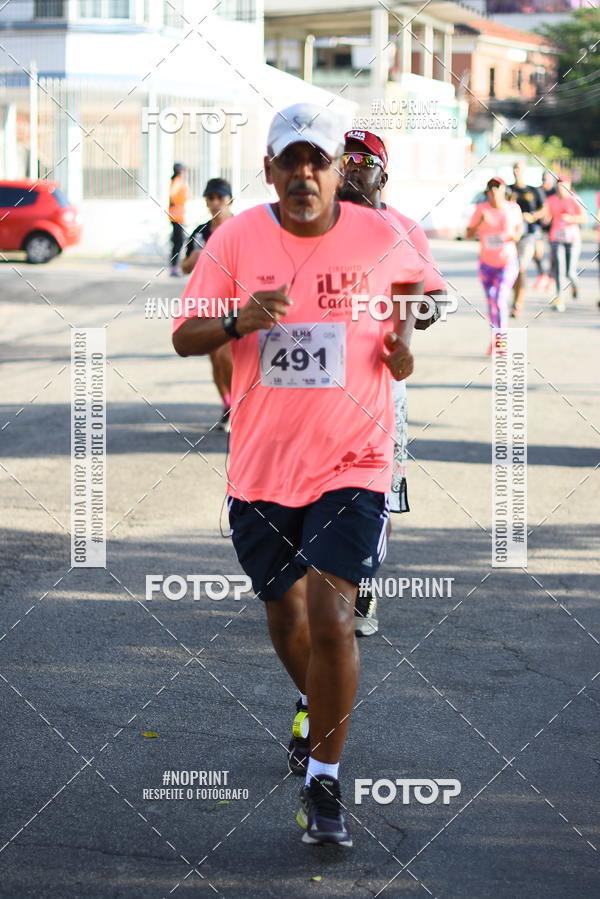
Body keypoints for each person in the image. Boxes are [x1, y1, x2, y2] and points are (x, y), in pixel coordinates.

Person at [172, 102, 424, 847]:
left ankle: (324, 780)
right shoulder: (236, 237)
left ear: (337, 170)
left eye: (319, 160)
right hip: (262, 466)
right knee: (286, 616)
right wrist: (238, 322)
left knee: (333, 615)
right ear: (270, 170)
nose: (306, 173)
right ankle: (312, 699)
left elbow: (416, 290)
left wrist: (403, 340)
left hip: (355, 456)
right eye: (292, 160)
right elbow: (185, 333)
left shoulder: (382, 232)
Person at [338, 129, 445, 638]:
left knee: (375, 489)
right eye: (344, 159)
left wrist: (417, 314)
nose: (351, 168)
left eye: (363, 161)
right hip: (309, 388)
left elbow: (434, 297)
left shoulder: (404, 230)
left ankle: (362, 586)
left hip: (379, 388)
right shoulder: (308, 226)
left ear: (383, 176)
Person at [182, 178, 234, 427]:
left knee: (227, 355)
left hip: (237, 299)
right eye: (210, 198)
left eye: (219, 198)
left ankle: (240, 404)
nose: (215, 203)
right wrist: (195, 257)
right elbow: (184, 267)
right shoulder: (201, 233)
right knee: (216, 358)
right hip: (209, 301)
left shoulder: (241, 227)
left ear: (229, 200)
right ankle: (228, 404)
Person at [466, 177, 523, 353]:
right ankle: (496, 338)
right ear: (487, 192)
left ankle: (501, 340)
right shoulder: (481, 209)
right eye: (490, 188)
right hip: (486, 264)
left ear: (504, 189)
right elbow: (468, 234)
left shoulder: (513, 208)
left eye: (497, 187)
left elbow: (519, 230)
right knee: (492, 302)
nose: (494, 191)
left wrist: (514, 236)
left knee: (499, 299)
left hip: (507, 262)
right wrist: (480, 222)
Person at [509, 161, 547, 317]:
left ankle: (517, 304)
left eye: (519, 169)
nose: (516, 171)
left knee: (520, 268)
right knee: (512, 270)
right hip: (511, 237)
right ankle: (514, 296)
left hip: (528, 235)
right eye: (514, 169)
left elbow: (544, 209)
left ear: (524, 171)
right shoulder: (508, 190)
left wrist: (532, 216)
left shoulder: (533, 190)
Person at [546, 177, 587, 312]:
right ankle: (559, 300)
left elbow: (585, 218)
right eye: (558, 185)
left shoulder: (575, 200)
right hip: (556, 239)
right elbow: (547, 215)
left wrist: (571, 218)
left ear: (569, 186)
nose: (560, 188)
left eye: (563, 185)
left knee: (570, 272)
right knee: (559, 271)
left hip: (572, 240)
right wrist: (542, 218)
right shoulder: (552, 200)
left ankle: (575, 285)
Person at [168, 162, 189, 277]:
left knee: (178, 242)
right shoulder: (177, 181)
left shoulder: (177, 181)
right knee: (178, 243)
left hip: (178, 216)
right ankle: (174, 268)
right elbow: (173, 195)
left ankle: (174, 267)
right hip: (176, 216)